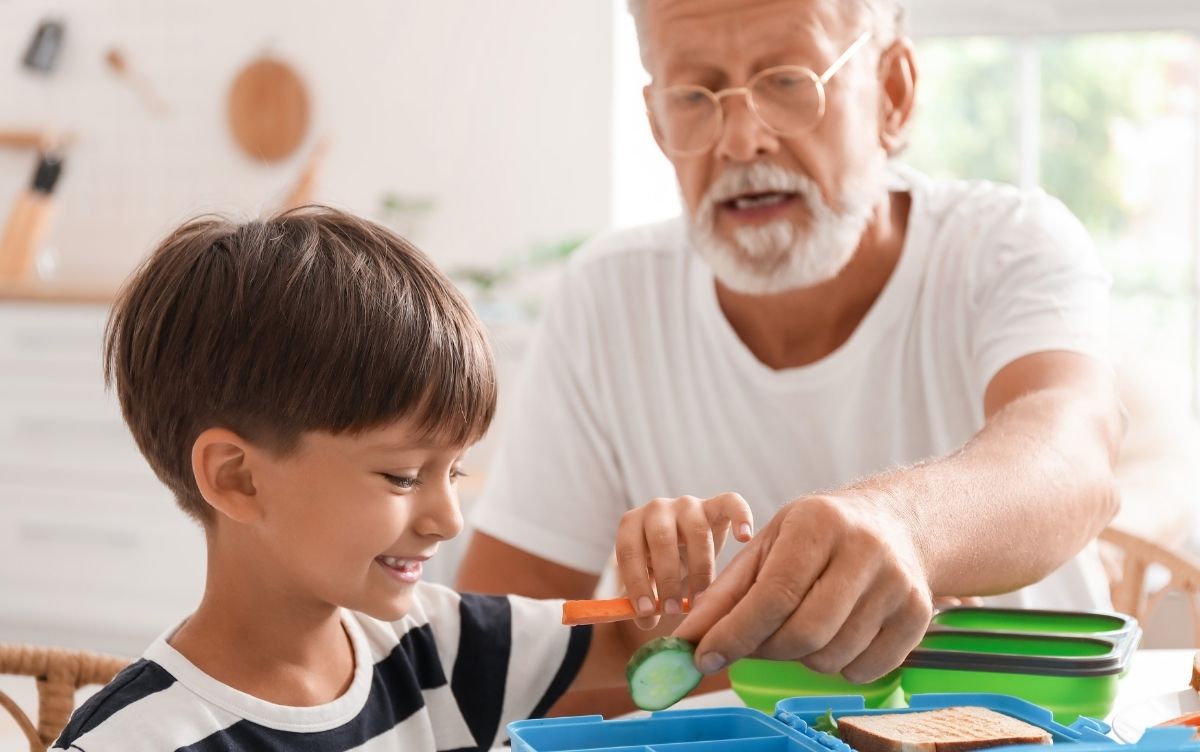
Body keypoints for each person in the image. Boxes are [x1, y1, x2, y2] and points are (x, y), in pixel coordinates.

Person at [458, 0, 1124, 710]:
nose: (742, 141)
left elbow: (1074, 460)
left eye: (786, 81)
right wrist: (648, 637)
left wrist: (906, 524)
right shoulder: (607, 294)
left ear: (893, 93)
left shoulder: (1008, 243)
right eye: (695, 95)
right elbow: (489, 666)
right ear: (657, 120)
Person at [51, 207, 717, 751]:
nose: (449, 519)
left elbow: (639, 643)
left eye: (453, 471)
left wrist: (672, 569)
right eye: (402, 476)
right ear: (240, 480)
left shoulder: (440, 644)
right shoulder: (134, 741)